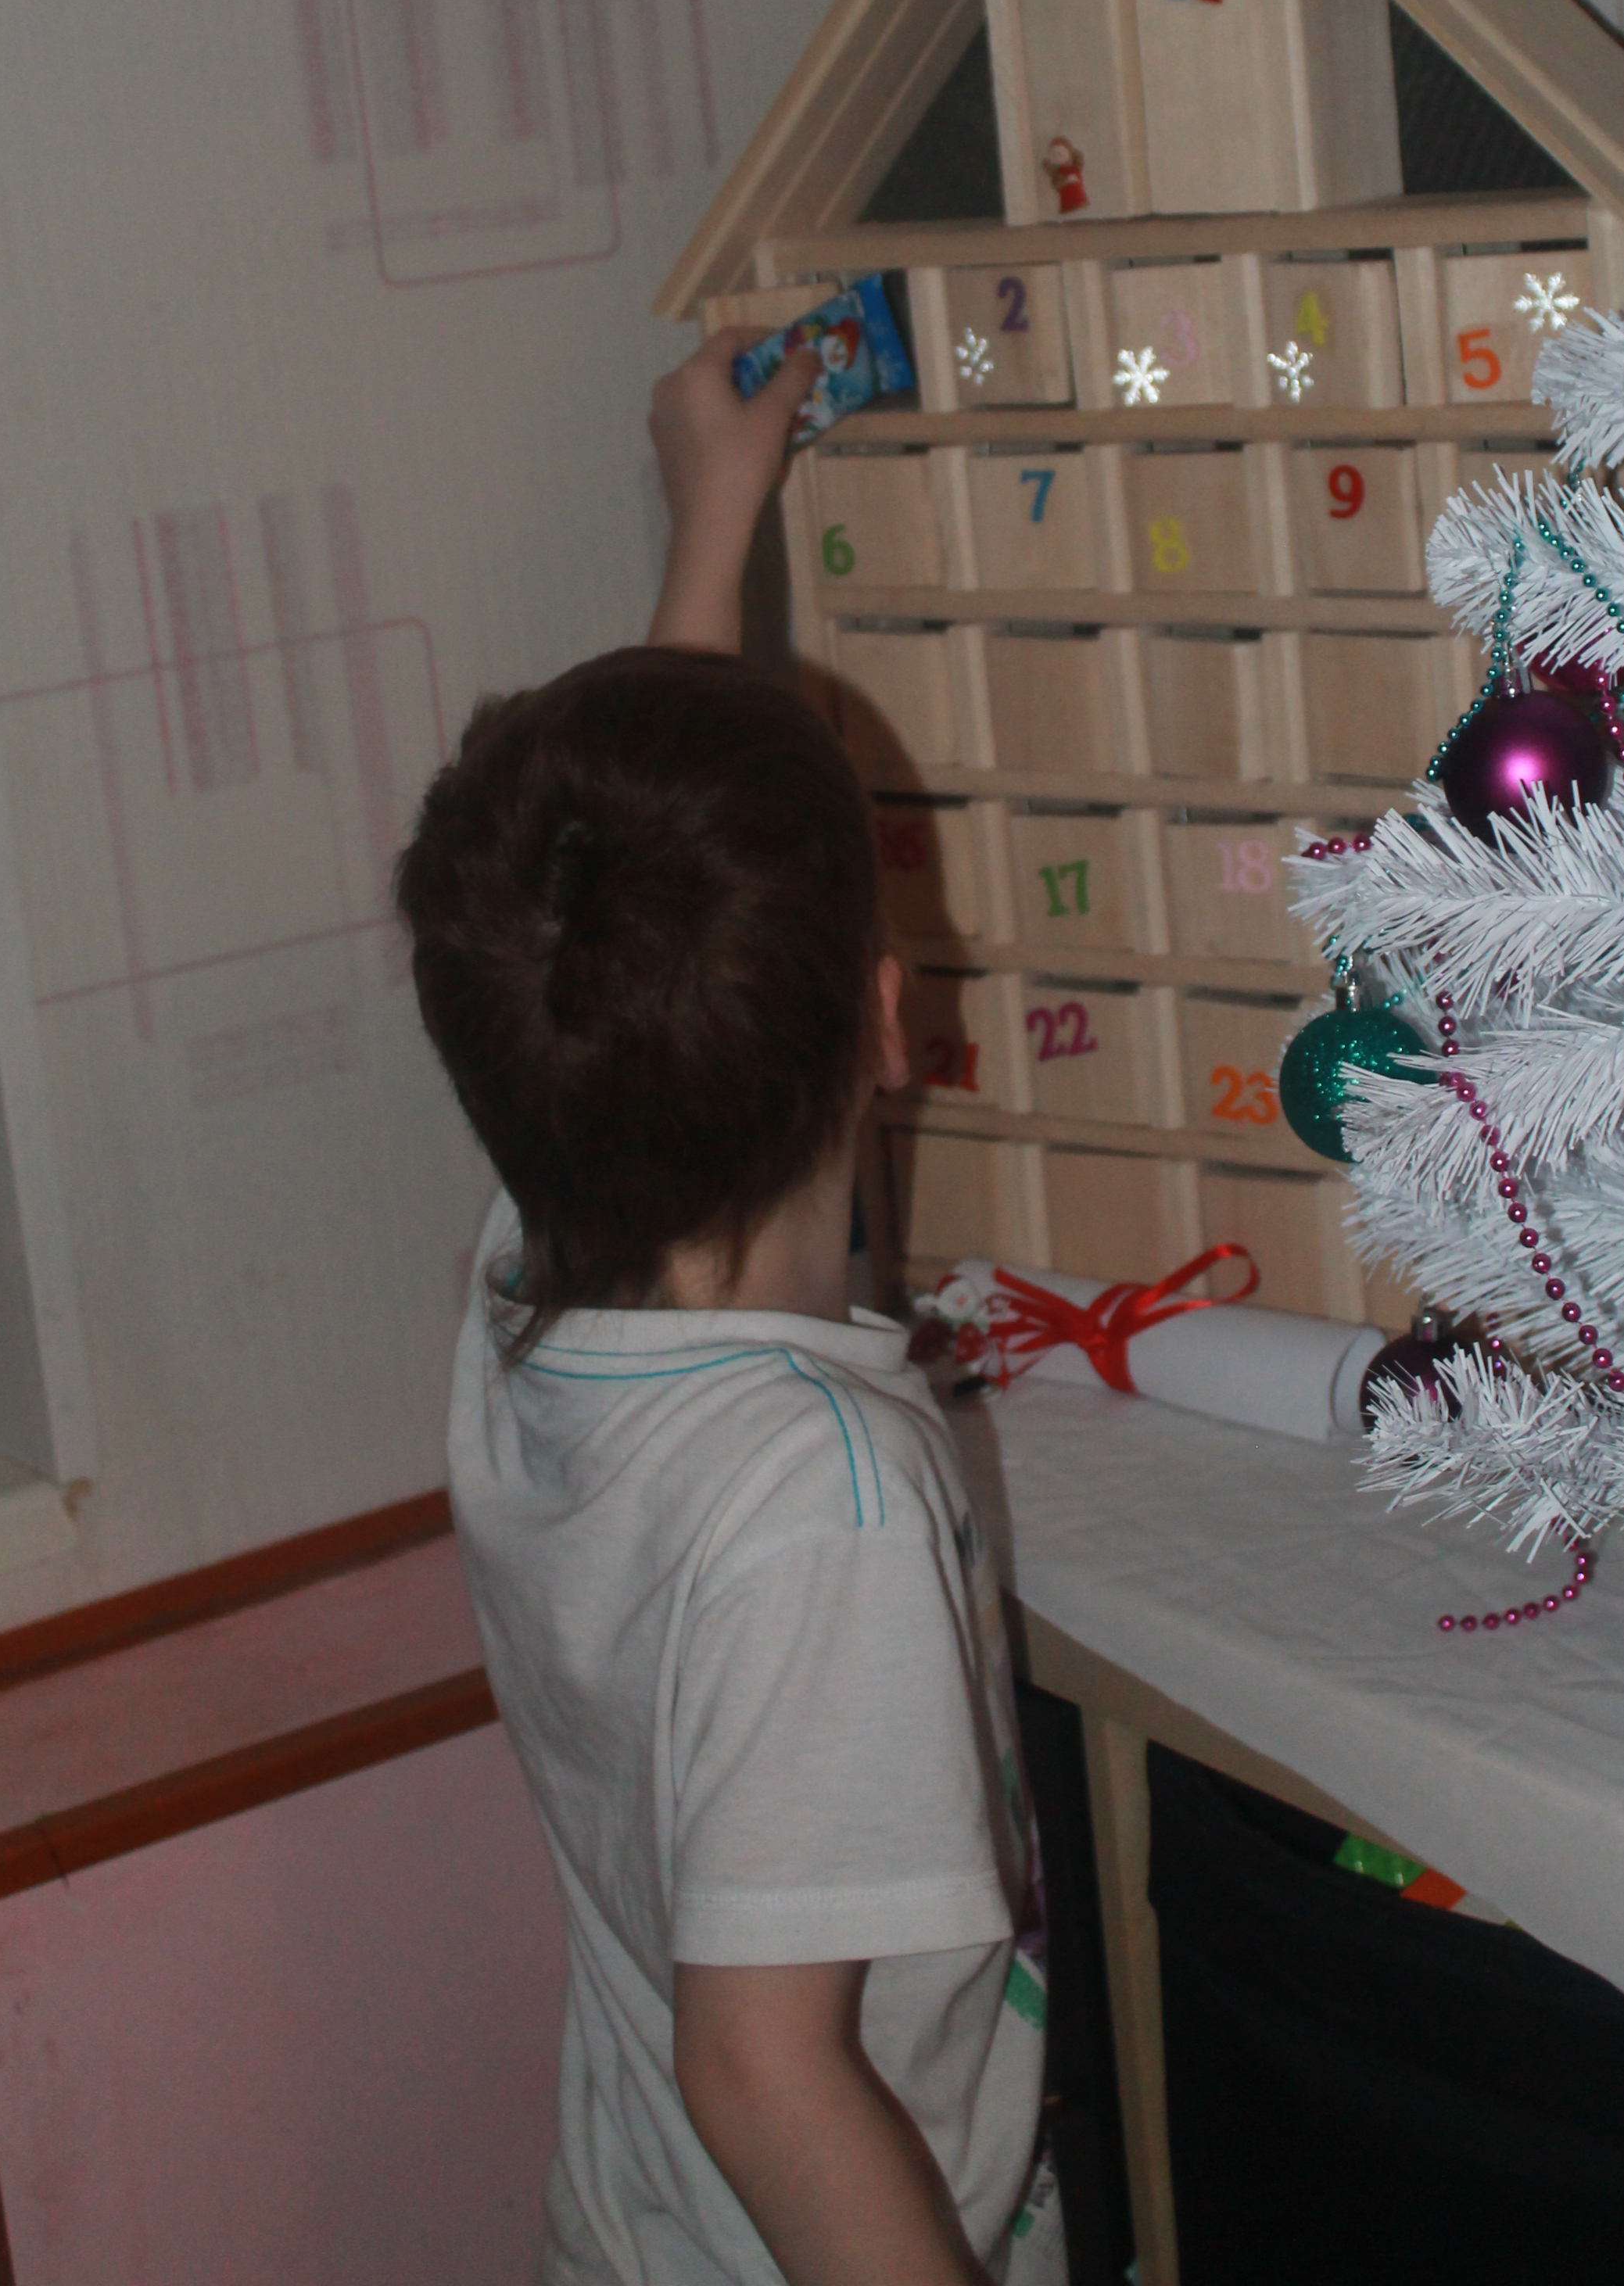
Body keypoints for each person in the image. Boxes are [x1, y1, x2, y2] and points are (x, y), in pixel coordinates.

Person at [396, 328, 1060, 2286]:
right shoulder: (822, 1502)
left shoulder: (527, 1282)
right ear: (888, 1022)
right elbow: (765, 2074)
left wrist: (712, 524)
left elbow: (614, 908)